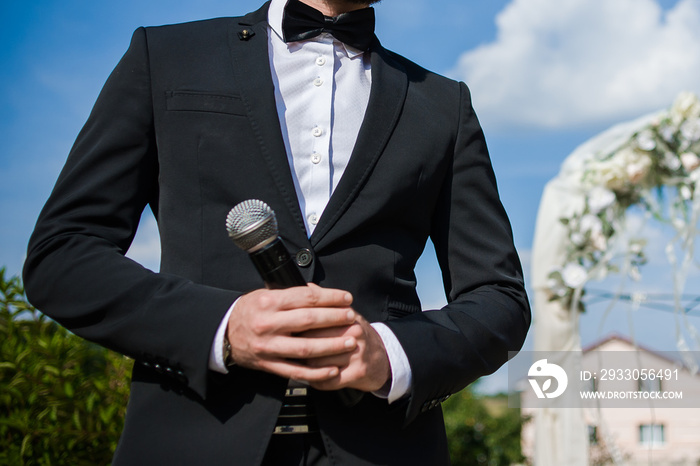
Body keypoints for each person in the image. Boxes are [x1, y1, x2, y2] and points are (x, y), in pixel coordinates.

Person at [23, 0, 531, 464]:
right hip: (191, 442)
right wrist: (222, 325)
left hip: (381, 448)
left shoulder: (445, 103)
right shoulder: (165, 55)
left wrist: (392, 354)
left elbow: (499, 297)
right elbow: (62, 254)